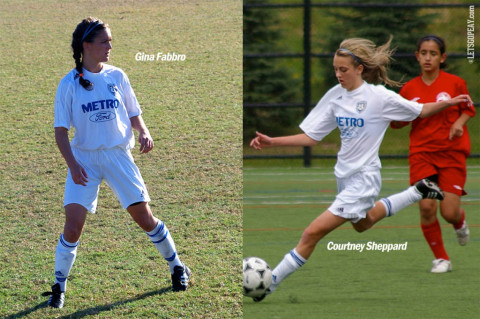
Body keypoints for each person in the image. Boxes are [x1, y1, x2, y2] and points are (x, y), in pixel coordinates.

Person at [249, 37, 473, 302]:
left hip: (364, 179)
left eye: (343, 69)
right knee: (362, 224)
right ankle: (417, 191)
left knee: (312, 233)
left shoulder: (377, 97)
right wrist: (274, 141)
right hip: (344, 177)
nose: (338, 74)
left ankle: (270, 283)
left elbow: (420, 110)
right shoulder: (335, 95)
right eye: (335, 69)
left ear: (359, 68)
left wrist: (447, 103)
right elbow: (311, 137)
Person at [43, 17, 191, 309]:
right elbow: (60, 131)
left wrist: (144, 131)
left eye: (110, 41)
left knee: (145, 219)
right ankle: (59, 287)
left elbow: (134, 113)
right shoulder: (68, 84)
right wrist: (73, 164)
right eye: (104, 41)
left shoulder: (118, 76)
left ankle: (177, 267)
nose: (110, 46)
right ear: (87, 45)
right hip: (84, 159)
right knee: (72, 227)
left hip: (118, 157)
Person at [391, 35, 475, 273]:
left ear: (442, 57)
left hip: (451, 154)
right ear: (417, 56)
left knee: (448, 212)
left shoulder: (455, 83)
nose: (428, 58)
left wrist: (459, 123)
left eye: (433, 53)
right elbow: (398, 122)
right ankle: (441, 259)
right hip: (422, 154)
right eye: (423, 53)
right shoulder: (409, 89)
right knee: (427, 207)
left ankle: (459, 221)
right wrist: (393, 118)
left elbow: (468, 109)